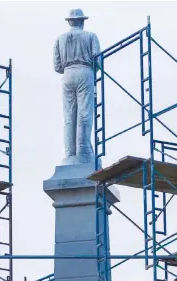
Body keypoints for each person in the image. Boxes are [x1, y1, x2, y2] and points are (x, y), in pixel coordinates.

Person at [53, 8, 101, 165]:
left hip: (67, 74)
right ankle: (83, 150)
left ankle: (70, 152)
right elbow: (98, 62)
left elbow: (57, 66)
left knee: (69, 115)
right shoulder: (91, 36)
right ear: (82, 21)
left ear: (70, 22)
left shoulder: (60, 39)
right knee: (84, 113)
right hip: (85, 71)